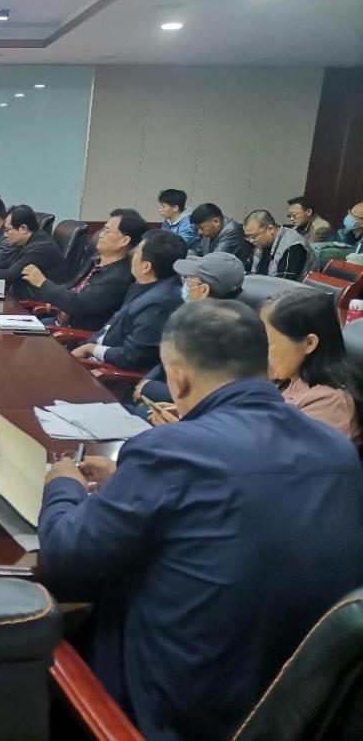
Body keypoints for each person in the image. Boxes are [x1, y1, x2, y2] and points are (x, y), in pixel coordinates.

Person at [40, 300, 363, 741]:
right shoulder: (336, 449)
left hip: (170, 712)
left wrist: (64, 485)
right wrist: (129, 483)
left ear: (177, 376)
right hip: (290, 701)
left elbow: (65, 560)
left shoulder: (171, 449)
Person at [132, 252, 247, 420]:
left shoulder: (223, 337)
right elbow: (165, 364)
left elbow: (204, 398)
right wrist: (145, 383)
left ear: (204, 290)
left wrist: (148, 388)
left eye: (189, 280)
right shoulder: (193, 319)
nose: (185, 284)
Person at [70, 229, 186, 372]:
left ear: (146, 267)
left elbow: (131, 357)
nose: (131, 255)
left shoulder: (159, 303)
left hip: (105, 372)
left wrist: (90, 349)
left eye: (136, 253)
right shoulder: (146, 286)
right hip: (93, 357)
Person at [261, 289, 363, 445]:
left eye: (269, 343)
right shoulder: (288, 374)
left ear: (309, 343)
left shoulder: (329, 402)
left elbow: (287, 455)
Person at [21, 210, 147, 330]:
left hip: (70, 335)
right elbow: (72, 287)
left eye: (107, 231)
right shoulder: (96, 259)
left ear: (124, 241)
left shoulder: (118, 277)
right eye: (103, 229)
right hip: (57, 322)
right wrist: (51, 297)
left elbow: (77, 304)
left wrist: (43, 283)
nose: (101, 235)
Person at [0, 204, 66, 287]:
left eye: (8, 230)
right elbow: (6, 264)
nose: (5, 235)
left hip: (33, 302)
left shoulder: (39, 249)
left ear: (23, 228)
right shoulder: (28, 241)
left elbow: (9, 276)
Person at [245, 209, 318, 281]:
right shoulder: (262, 244)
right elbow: (248, 270)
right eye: (248, 237)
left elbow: (284, 283)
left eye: (254, 236)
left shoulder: (293, 247)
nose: (251, 241)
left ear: (270, 229)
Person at [189, 202, 252, 267]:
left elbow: (215, 261)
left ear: (216, 222)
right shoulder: (209, 231)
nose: (199, 232)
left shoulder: (232, 231)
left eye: (201, 228)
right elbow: (199, 252)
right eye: (198, 228)